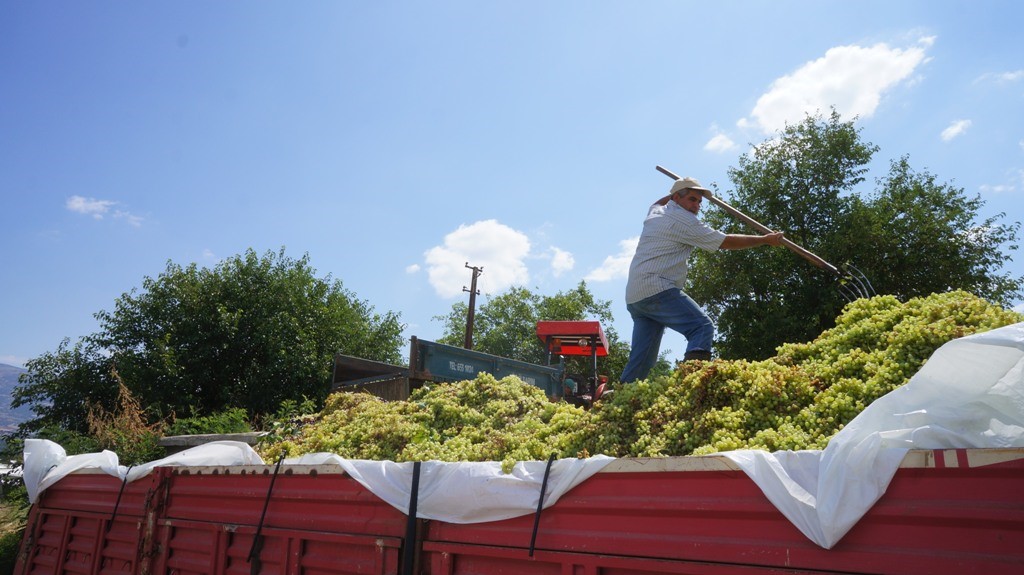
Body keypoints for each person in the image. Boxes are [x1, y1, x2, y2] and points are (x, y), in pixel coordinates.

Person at [620, 176, 784, 383]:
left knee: (642, 358)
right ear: (676, 198)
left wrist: (680, 190)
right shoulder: (684, 221)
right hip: (657, 288)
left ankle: (618, 396)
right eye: (692, 199)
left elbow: (656, 202)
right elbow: (725, 241)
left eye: (699, 202)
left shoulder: (656, 213)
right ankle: (692, 384)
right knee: (701, 326)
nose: (696, 205)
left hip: (636, 296)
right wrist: (764, 240)